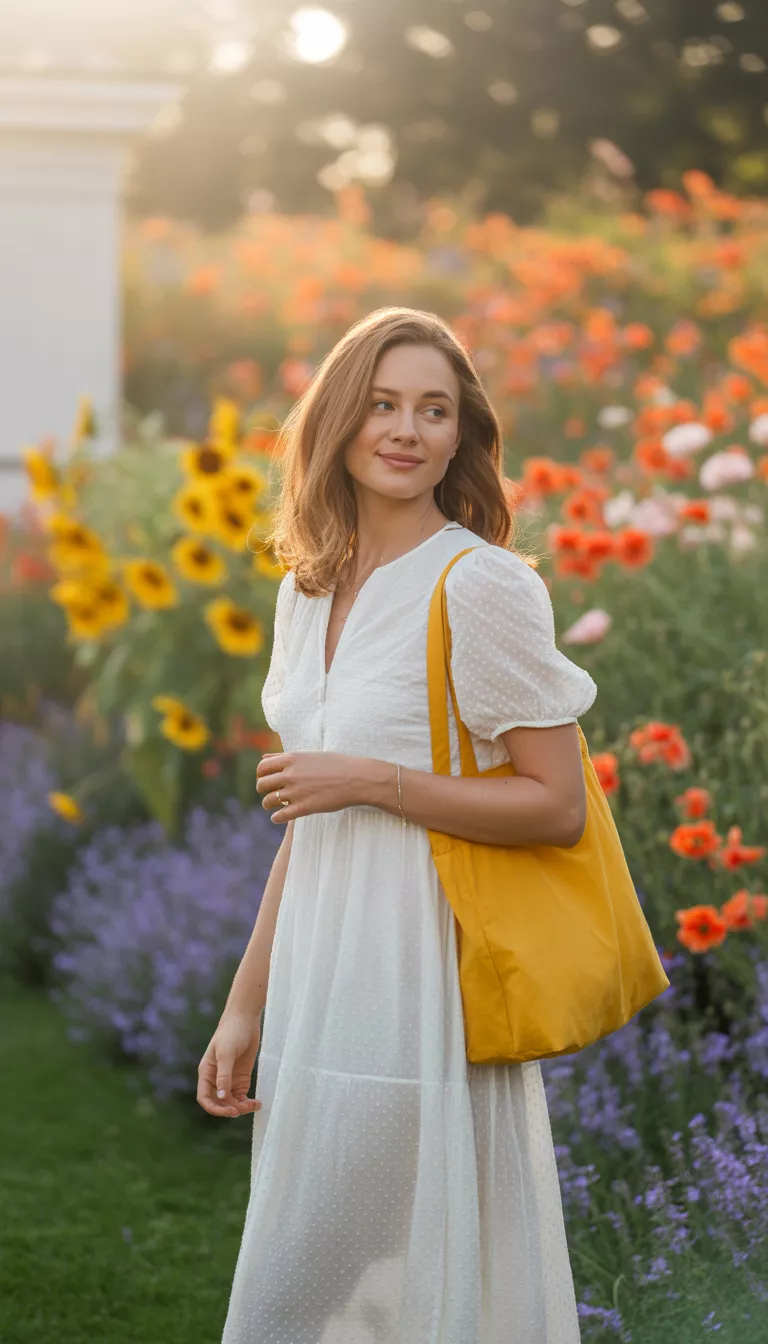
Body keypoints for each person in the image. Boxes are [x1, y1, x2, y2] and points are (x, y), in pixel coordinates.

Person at [198, 307, 597, 1343]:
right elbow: (307, 817)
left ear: (462, 434)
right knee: (356, 1284)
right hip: (322, 987)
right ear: (338, 420)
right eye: (382, 404)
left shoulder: (482, 586)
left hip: (426, 983)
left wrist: (378, 780)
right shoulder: (303, 591)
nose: (406, 430)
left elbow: (555, 806)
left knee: (313, 1287)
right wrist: (246, 1007)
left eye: (433, 409)